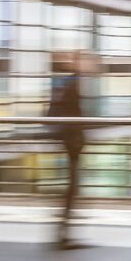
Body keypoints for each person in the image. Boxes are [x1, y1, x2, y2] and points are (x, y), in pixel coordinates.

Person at [48, 51, 88, 250]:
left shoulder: (67, 82)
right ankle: (62, 235)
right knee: (72, 187)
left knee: (72, 188)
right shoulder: (71, 83)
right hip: (71, 141)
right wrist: (76, 138)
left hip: (70, 140)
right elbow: (71, 113)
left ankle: (63, 233)